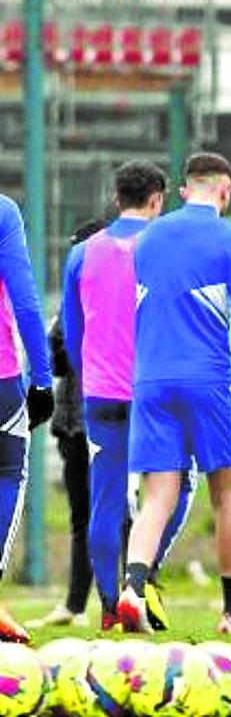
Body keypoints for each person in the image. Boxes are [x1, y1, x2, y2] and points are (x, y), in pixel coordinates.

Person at [116, 152, 231, 636]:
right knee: (226, 495)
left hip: (150, 382)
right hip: (208, 382)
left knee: (157, 496)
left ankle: (132, 589)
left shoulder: (147, 239)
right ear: (225, 194)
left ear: (186, 190)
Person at [61, 162, 199, 633]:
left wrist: (91, 376)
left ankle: (106, 606)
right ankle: (140, 579)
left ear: (116, 197)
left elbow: (72, 330)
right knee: (173, 490)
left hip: (101, 394)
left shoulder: (82, 253)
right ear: (159, 200)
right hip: (156, 390)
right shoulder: (165, 248)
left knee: (104, 501)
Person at [28, 217, 106, 630]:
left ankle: (123, 599)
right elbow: (57, 357)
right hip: (74, 420)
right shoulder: (72, 303)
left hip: (106, 418)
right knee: (85, 515)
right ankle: (77, 604)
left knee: (113, 512)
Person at [0, 193, 55, 643]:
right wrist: (42, 380)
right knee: (8, 473)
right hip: (0, 382)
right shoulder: (3, 211)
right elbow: (26, 302)